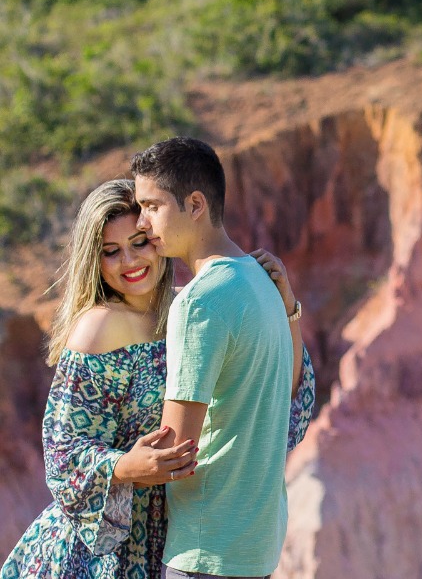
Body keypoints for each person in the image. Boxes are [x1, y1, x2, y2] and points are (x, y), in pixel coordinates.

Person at [0, 180, 315, 578]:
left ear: (159, 239)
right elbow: (62, 452)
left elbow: (287, 407)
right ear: (93, 260)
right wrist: (125, 467)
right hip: (105, 552)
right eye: (110, 252)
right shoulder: (100, 327)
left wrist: (287, 308)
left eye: (139, 242)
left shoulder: (195, 307)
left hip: (187, 537)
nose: (129, 261)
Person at [130, 137, 306, 579]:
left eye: (152, 206)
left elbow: (174, 451)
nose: (141, 222)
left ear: (194, 204)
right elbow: (292, 391)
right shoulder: (264, 279)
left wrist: (114, 466)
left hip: (205, 550)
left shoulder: (200, 303)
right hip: (256, 546)